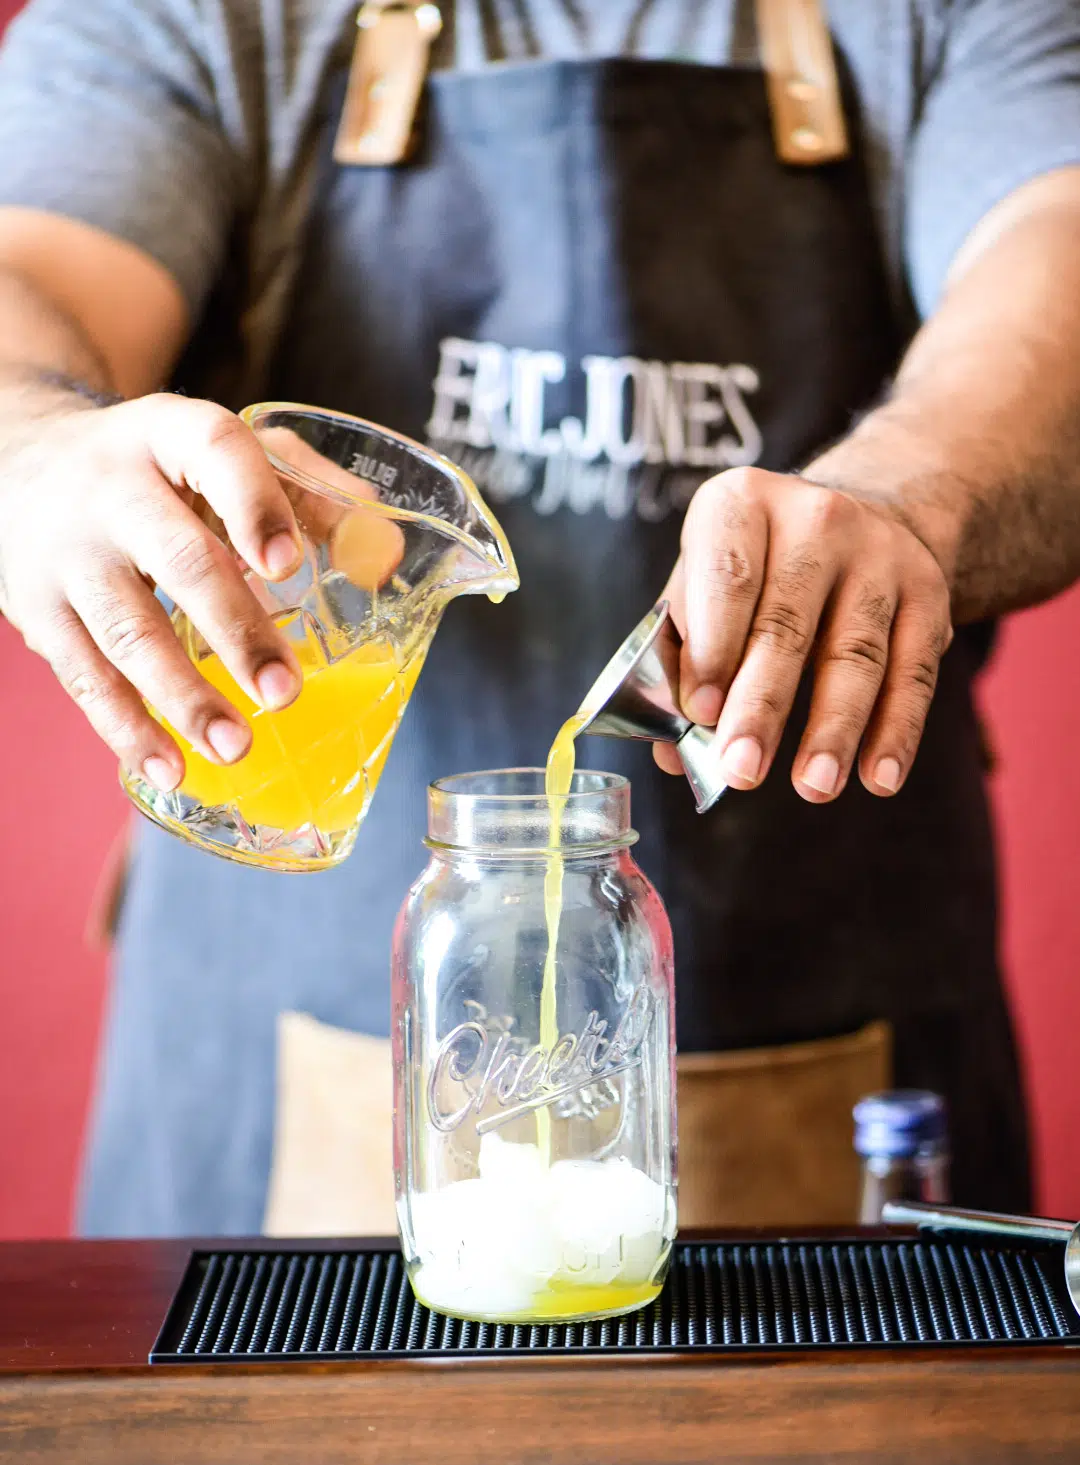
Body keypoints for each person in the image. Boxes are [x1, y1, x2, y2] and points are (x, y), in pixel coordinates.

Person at [0, 0, 1078, 1235]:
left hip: (836, 1006)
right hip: (284, 1023)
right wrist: (29, 448)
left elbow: (1054, 270)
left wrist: (907, 499)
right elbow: (27, 274)